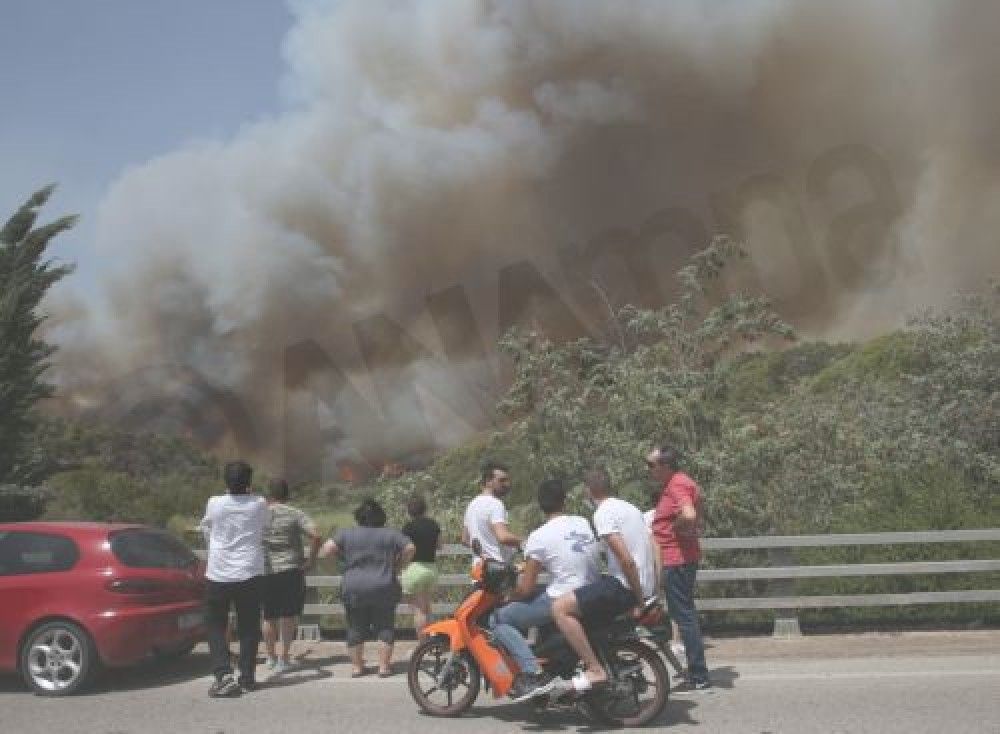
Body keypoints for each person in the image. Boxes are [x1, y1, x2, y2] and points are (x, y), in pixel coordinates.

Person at [491, 478, 601, 702]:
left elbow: (526, 588)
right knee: (543, 590)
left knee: (499, 619)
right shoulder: (582, 522)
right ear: (565, 501)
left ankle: (533, 673)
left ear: (540, 505)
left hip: (566, 598)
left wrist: (508, 596)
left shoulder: (539, 536)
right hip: (592, 590)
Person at [550, 467, 657, 692]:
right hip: (641, 584)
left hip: (625, 586)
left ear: (589, 491)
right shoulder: (631, 508)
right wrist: (653, 588)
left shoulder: (603, 514)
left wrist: (639, 600)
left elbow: (626, 560)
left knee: (560, 608)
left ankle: (594, 669)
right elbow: (653, 546)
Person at [319, 498, 415, 677]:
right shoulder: (390, 534)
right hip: (384, 585)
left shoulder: (346, 533)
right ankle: (384, 667)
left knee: (355, 627)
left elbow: (327, 549)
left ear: (359, 517)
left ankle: (357, 667)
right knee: (385, 626)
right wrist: (399, 565)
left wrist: (342, 563)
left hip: (354, 586)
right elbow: (410, 548)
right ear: (380, 517)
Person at [199, 460, 269, 697]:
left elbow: (207, 527)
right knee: (249, 626)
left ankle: (223, 675)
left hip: (219, 572)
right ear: (249, 482)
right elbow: (265, 527)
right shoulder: (259, 504)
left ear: (225, 481)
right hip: (250, 572)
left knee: (215, 625)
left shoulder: (215, 503)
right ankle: (248, 677)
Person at [648, 444, 711, 692]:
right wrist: (694, 526)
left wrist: (675, 529)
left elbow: (688, 512)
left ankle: (698, 675)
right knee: (684, 613)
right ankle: (697, 672)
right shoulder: (683, 482)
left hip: (677, 559)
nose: (649, 470)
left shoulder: (676, 484)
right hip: (681, 557)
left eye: (651, 465)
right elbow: (700, 499)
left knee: (683, 615)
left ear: (665, 465)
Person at [261, 478, 321, 674]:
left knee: (269, 616)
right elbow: (316, 535)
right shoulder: (295, 513)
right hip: (290, 570)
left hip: (266, 570)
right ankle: (283, 658)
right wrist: (311, 560)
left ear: (270, 494)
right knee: (288, 615)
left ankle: (270, 657)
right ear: (287, 495)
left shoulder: (259, 514)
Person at [645, 483, 685, 671]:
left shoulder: (646, 518)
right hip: (673, 562)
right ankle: (675, 641)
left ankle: (660, 639)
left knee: (655, 604)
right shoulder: (672, 517)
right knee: (675, 604)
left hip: (654, 567)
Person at [462, 461, 521, 562]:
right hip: (497, 569)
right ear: (488, 481)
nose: (507, 484)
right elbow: (503, 537)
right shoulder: (495, 504)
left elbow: (465, 539)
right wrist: (523, 542)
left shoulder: (472, 504)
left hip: (479, 569)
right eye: (502, 480)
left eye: (507, 480)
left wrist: (483, 553)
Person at [400, 494, 441, 639]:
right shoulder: (433, 525)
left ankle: (422, 646)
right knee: (428, 608)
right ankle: (433, 642)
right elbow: (439, 546)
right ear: (425, 509)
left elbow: (404, 549)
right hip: (431, 568)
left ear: (409, 511)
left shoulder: (408, 528)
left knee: (419, 611)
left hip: (414, 568)